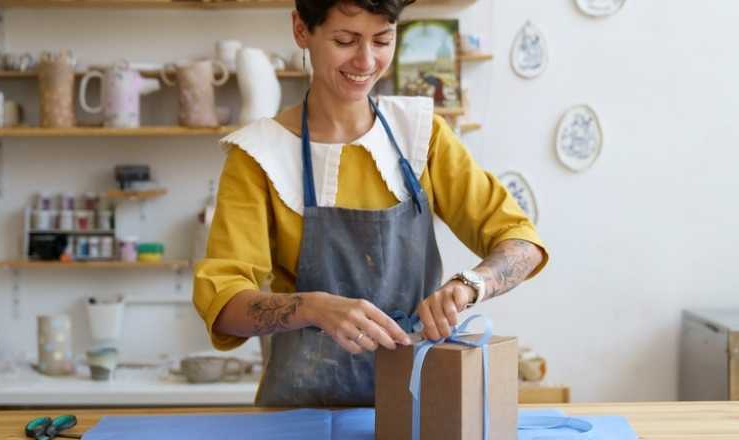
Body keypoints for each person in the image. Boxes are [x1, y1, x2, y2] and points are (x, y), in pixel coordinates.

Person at [193, 0, 547, 407]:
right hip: (301, 414)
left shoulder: (423, 136)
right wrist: (312, 308)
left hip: (418, 406)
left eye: (383, 40)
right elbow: (223, 303)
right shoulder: (259, 155)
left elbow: (523, 244)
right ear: (301, 30)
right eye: (345, 40)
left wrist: (470, 286)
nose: (365, 60)